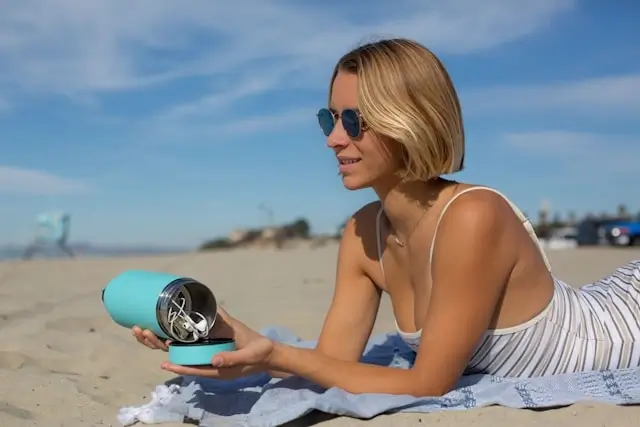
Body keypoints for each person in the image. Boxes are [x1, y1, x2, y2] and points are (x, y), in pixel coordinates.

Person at [132, 38, 640, 397]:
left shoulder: (473, 216)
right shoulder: (361, 233)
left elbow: (428, 383)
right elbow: (333, 361)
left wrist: (277, 356)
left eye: (353, 121)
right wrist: (224, 338)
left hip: (621, 327)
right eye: (328, 119)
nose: (333, 138)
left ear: (410, 121)